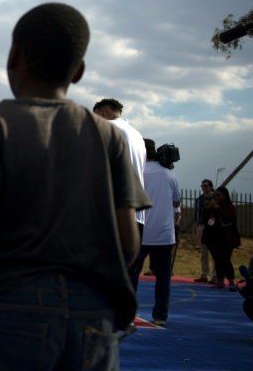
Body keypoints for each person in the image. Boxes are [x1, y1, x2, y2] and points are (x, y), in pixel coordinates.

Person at [0, 3, 150, 371]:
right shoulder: (108, 137)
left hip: (11, 309)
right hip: (94, 316)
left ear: (13, 56)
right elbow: (129, 243)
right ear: (78, 71)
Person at [93, 97, 148, 335]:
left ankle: (104, 320)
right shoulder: (137, 136)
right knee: (127, 270)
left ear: (104, 111)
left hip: (112, 208)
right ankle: (125, 317)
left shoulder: (108, 129)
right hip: (135, 212)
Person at [129, 138, 181, 327]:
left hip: (140, 231)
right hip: (164, 234)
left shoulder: (137, 172)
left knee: (132, 275)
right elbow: (176, 201)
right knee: (163, 278)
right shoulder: (169, 174)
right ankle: (160, 315)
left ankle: (127, 313)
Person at [203, 186, 240, 290]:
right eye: (216, 196)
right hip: (214, 238)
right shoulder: (214, 208)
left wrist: (218, 209)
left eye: (219, 195)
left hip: (227, 238)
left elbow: (228, 222)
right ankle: (220, 281)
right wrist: (209, 210)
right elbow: (210, 222)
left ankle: (231, 281)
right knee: (218, 260)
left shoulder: (229, 208)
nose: (217, 198)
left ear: (224, 195)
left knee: (226, 260)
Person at [194, 178, 217, 283]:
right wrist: (197, 226)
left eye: (206, 185)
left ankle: (215, 276)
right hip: (201, 226)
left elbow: (216, 213)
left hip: (213, 228)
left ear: (211, 186)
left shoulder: (216, 198)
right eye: (202, 186)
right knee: (203, 252)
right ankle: (204, 274)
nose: (203, 187)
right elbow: (197, 214)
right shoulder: (199, 199)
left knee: (214, 252)